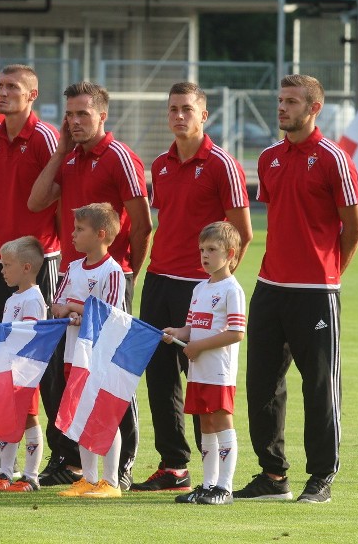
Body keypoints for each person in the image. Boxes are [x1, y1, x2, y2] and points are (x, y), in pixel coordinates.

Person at [233, 74, 358, 504]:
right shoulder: (269, 157)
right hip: (270, 287)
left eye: (291, 101)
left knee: (320, 386)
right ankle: (273, 476)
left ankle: (321, 477)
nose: (282, 108)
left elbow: (353, 227)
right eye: (280, 101)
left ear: (314, 108)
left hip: (315, 292)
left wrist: (328, 273)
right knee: (262, 384)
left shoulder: (333, 159)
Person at [28, 81, 152, 489]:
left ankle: (124, 464)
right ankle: (74, 461)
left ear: (102, 115)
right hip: (72, 276)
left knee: (113, 374)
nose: (75, 121)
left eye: (83, 114)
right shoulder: (70, 157)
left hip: (112, 278)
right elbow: (37, 201)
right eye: (69, 114)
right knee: (72, 374)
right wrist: (61, 150)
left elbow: (142, 223)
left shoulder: (119, 157)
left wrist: (127, 270)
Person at [132, 82, 252, 492]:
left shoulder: (223, 164)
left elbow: (242, 233)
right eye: (172, 109)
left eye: (187, 109)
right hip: (159, 278)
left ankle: (215, 479)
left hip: (198, 287)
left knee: (201, 378)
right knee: (160, 375)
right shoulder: (161, 164)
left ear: (204, 115)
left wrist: (219, 284)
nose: (179, 116)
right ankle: (174, 466)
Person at [0, 64, 61, 480]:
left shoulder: (46, 138)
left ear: (32, 95)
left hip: (41, 261)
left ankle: (59, 454)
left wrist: (41, 254)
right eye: (0, 87)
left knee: (45, 362)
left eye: (12, 88)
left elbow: (57, 198)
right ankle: (0, 450)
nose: (3, 93)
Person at [163, 221, 246, 505]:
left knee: (221, 422)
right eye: (202, 250)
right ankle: (208, 485)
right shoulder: (199, 288)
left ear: (230, 253)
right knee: (205, 424)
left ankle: (225, 487)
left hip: (218, 371)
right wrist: (178, 333)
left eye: (212, 249)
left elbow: (236, 333)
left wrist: (198, 345)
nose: (205, 255)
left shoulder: (232, 290)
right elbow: (191, 328)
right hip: (199, 370)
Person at [52, 203, 126, 499]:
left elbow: (107, 315)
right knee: (82, 412)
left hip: (100, 355)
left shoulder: (113, 271)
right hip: (75, 353)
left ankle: (111, 482)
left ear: (101, 234)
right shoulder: (71, 268)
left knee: (104, 414)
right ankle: (89, 478)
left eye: (80, 229)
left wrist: (74, 309)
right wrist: (74, 311)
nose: (72, 234)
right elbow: (57, 306)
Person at [0, 236, 48, 493]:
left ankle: (31, 476)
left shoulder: (33, 298)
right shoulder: (12, 299)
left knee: (29, 418)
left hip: (26, 371)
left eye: (7, 265)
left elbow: (29, 335)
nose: (2, 271)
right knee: (8, 420)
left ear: (26, 267)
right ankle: (5, 472)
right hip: (6, 370)